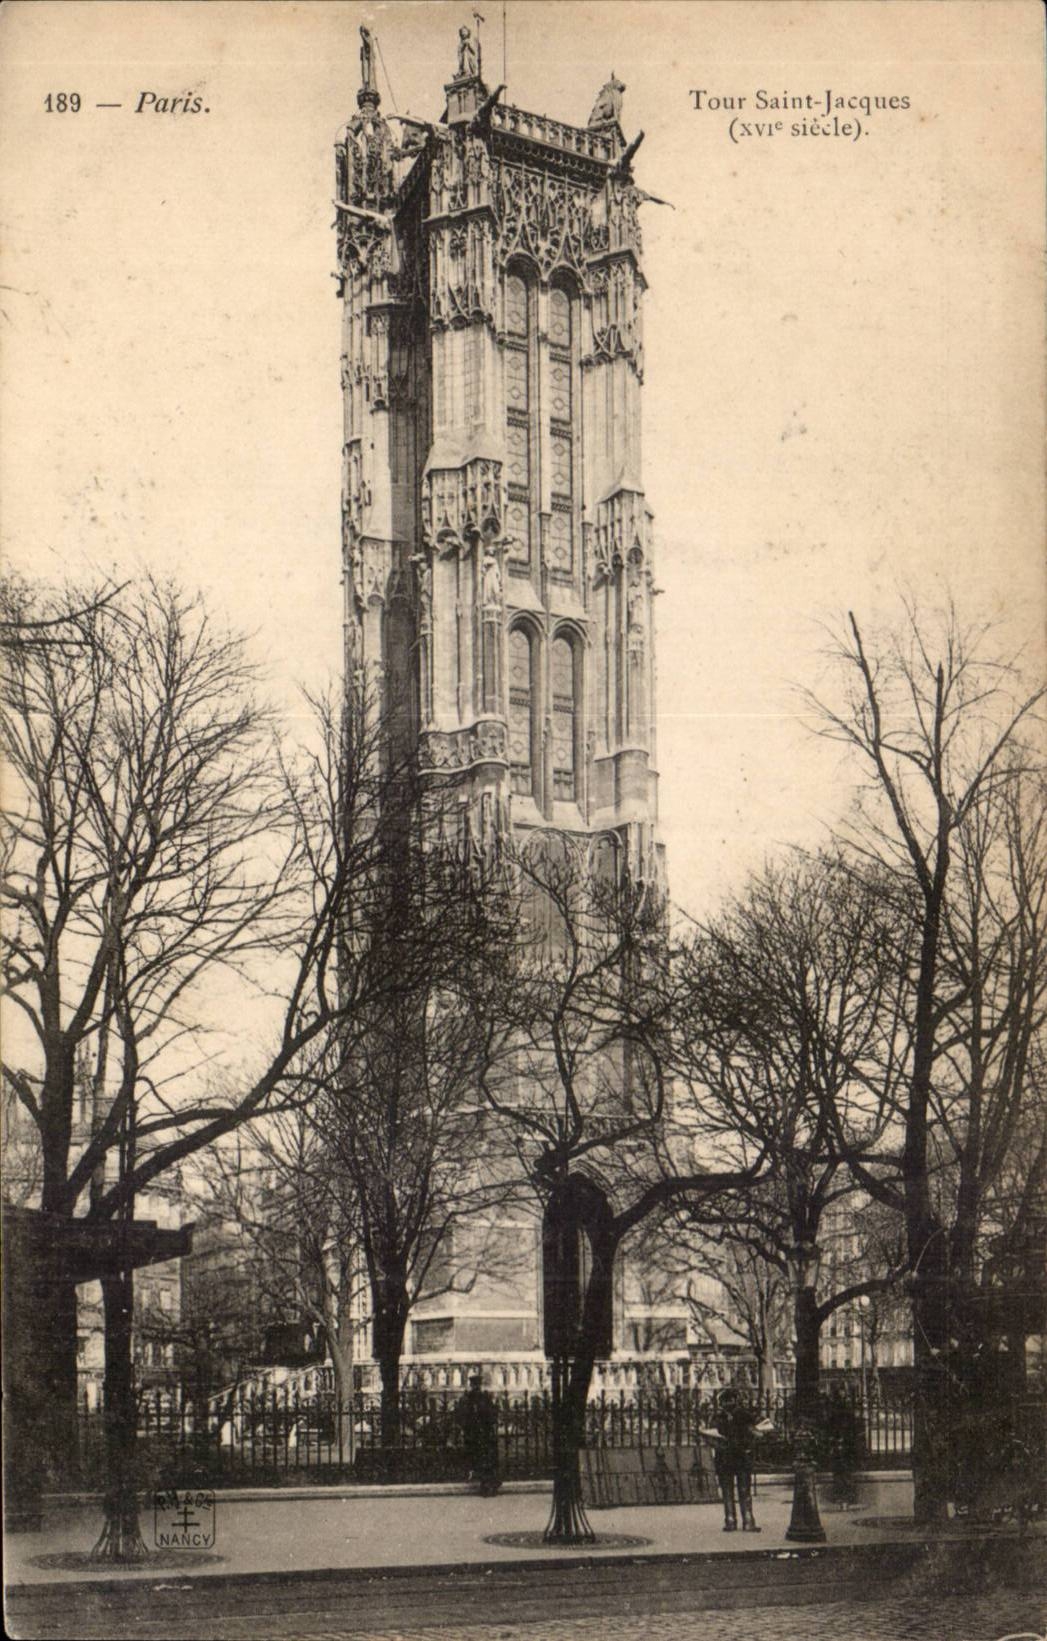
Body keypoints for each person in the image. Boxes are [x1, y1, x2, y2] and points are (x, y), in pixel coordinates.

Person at [702, 1386, 773, 1532]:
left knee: (727, 1490)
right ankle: (748, 1521)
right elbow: (765, 1428)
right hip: (742, 1456)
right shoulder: (746, 1415)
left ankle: (730, 1521)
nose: (725, 1404)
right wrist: (751, 1437)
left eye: (726, 1401)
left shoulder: (717, 1417)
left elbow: (710, 1437)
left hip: (725, 1457)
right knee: (744, 1490)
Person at [456, 1373, 500, 1495]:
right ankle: (487, 1485)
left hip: (481, 1433)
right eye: (475, 1384)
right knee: (482, 1459)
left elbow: (492, 1414)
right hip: (476, 1433)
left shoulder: (482, 1397)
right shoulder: (471, 1398)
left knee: (485, 1459)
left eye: (477, 1384)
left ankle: (489, 1485)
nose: (476, 1387)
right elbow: (461, 1416)